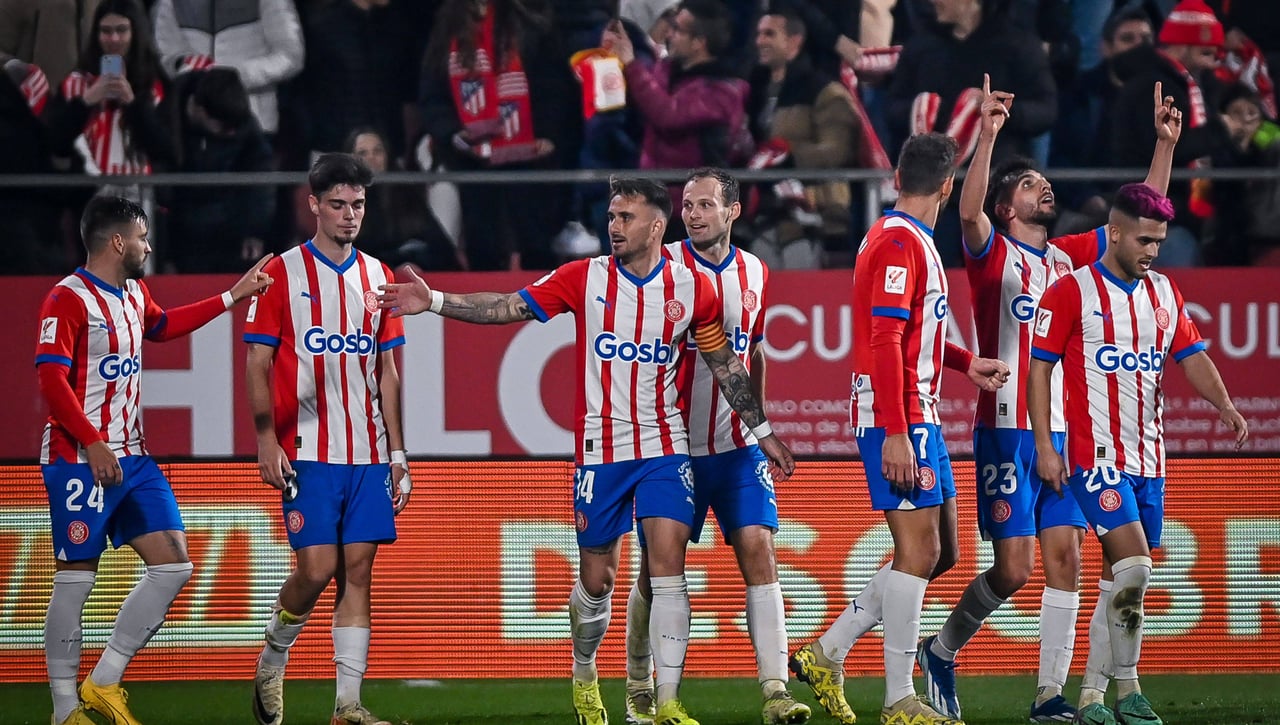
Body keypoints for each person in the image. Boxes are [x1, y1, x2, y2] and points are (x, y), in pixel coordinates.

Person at [377, 176, 796, 725]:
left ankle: (664, 702)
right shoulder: (585, 278)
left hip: (665, 447)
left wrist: (762, 430)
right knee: (598, 583)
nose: (613, 226)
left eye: (625, 217)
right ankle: (584, 668)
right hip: (600, 453)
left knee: (668, 567)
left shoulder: (694, 289)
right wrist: (432, 300)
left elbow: (726, 362)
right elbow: (506, 306)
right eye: (612, 216)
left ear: (655, 225)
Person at [913, 76, 1183, 723]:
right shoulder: (992, 256)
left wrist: (1164, 145)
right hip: (1006, 429)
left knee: (1065, 558)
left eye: (1044, 183)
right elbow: (969, 212)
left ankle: (1048, 696)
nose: (1045, 189)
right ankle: (940, 649)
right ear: (1010, 208)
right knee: (1013, 569)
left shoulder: (1069, 260)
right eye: (1030, 185)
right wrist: (987, 135)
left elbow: (1139, 218)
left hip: (1065, 433)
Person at [789, 132, 1010, 725]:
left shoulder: (910, 240)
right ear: (947, 187)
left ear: (895, 179)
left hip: (922, 412)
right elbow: (885, 340)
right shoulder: (895, 244)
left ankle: (826, 651)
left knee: (943, 554)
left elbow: (916, 332)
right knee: (919, 550)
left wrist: (966, 363)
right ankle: (898, 699)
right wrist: (894, 430)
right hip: (899, 416)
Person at [36, 196, 271, 725]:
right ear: (118, 241)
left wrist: (233, 296)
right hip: (79, 459)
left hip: (134, 459)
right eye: (142, 237)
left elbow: (161, 325)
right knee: (76, 576)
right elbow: (50, 379)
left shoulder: (134, 292)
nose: (148, 246)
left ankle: (104, 681)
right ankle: (63, 709)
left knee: (175, 564)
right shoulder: (67, 299)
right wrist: (93, 441)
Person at [1029, 182, 1249, 725]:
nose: (1153, 251)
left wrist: (1224, 404)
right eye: (1145, 241)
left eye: (1160, 242)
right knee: (1136, 568)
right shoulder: (1070, 292)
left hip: (1151, 460)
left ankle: (1091, 698)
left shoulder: (1165, 294)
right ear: (1115, 233)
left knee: (1117, 585)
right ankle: (1129, 688)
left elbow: (1190, 354)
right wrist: (1043, 445)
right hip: (1095, 457)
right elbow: (1039, 369)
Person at [618, 168, 812, 725]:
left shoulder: (755, 270)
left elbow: (754, 353)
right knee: (655, 578)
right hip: (672, 446)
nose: (693, 214)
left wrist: (760, 427)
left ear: (733, 212)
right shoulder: (661, 266)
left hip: (734, 445)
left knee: (760, 550)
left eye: (706, 204)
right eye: (687, 204)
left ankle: (775, 691)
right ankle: (639, 683)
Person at [246, 153, 411, 725]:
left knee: (358, 570)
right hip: (308, 451)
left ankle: (347, 705)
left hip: (366, 452)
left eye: (358, 205)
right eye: (338, 204)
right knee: (316, 569)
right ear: (313, 204)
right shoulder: (282, 275)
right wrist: (266, 438)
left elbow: (389, 372)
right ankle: (273, 656)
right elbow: (258, 361)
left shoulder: (379, 277)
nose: (348, 215)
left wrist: (398, 452)